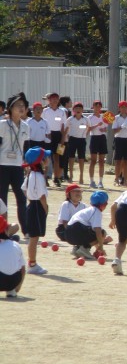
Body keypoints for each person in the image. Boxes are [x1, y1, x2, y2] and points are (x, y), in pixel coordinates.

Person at [0, 93, 30, 238]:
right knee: (2, 199)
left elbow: (26, 147)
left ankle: (26, 230)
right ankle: (3, 230)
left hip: (18, 166)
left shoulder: (26, 126)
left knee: (22, 198)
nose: (21, 108)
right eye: (18, 105)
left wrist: (28, 164)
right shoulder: (2, 125)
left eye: (23, 105)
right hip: (2, 166)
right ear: (10, 108)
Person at [22, 147, 50, 275]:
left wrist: (30, 198)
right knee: (34, 238)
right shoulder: (37, 176)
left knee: (34, 237)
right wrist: (45, 208)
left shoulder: (31, 174)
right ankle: (32, 264)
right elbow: (42, 196)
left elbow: (24, 189)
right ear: (40, 161)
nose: (48, 159)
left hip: (32, 205)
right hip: (37, 207)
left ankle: (32, 263)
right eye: (45, 157)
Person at [66, 191, 111, 260]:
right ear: (104, 204)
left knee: (88, 232)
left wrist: (97, 248)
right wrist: (101, 247)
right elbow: (98, 232)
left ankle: (77, 249)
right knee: (102, 233)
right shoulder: (97, 211)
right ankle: (84, 249)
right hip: (77, 230)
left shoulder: (88, 210)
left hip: (68, 235)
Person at [42, 92, 66, 186]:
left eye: (56, 98)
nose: (55, 100)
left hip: (58, 135)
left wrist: (63, 138)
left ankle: (57, 178)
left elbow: (63, 126)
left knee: (58, 157)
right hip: (48, 135)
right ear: (49, 100)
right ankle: (45, 177)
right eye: (52, 98)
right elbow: (42, 123)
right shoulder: (45, 111)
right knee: (46, 157)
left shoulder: (62, 112)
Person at [63, 102, 89, 184]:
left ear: (82, 110)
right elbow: (66, 129)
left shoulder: (86, 119)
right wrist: (64, 138)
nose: (78, 110)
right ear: (73, 110)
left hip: (82, 140)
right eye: (76, 108)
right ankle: (71, 176)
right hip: (72, 139)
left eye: (80, 108)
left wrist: (85, 135)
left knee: (81, 158)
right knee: (71, 158)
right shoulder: (70, 119)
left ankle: (81, 177)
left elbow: (89, 127)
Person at [0, 215, 25, 298]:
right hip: (14, 281)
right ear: (6, 230)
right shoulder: (16, 244)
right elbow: (23, 270)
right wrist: (18, 286)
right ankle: (11, 291)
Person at [88, 101, 108, 189]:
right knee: (93, 160)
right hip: (94, 138)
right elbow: (88, 128)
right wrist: (97, 125)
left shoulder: (103, 117)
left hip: (102, 138)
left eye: (99, 106)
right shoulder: (90, 117)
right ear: (93, 107)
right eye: (96, 106)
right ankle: (91, 181)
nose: (97, 108)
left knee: (101, 161)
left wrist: (104, 130)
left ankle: (100, 181)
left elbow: (106, 128)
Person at [112, 100, 127, 186]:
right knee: (118, 161)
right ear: (119, 108)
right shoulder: (116, 118)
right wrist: (121, 127)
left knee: (126, 161)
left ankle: (124, 180)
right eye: (122, 107)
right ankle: (116, 179)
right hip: (119, 139)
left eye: (125, 107)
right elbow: (114, 131)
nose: (124, 109)